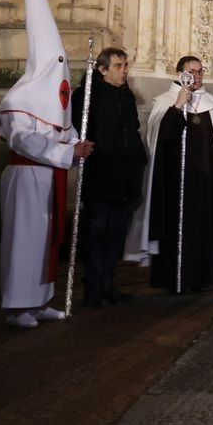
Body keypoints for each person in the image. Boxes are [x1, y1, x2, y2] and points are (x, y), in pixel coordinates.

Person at [0, 0, 93, 328]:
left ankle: (41, 297)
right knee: (24, 240)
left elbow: (57, 132)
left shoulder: (51, 102)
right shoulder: (20, 98)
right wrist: (67, 152)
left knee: (47, 240)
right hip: (26, 176)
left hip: (49, 177)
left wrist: (75, 143)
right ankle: (17, 306)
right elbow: (25, 139)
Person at [130, 56, 213, 292]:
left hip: (204, 185)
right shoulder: (166, 102)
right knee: (173, 231)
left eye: (201, 71)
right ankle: (173, 279)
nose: (197, 76)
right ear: (180, 73)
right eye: (192, 71)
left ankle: (201, 278)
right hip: (173, 185)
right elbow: (159, 141)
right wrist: (178, 106)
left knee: (202, 232)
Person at [70, 47, 147, 308]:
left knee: (116, 236)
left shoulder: (125, 96)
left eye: (125, 65)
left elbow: (132, 129)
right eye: (118, 65)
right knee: (97, 234)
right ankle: (93, 288)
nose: (124, 70)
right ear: (102, 69)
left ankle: (108, 284)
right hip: (101, 176)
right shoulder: (87, 95)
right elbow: (80, 129)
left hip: (125, 177)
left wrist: (137, 158)